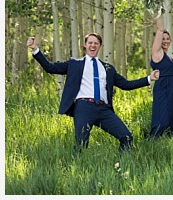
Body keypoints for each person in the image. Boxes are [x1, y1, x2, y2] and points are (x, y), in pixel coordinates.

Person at [27, 32, 159, 153]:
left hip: (103, 109)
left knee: (127, 137)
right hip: (84, 107)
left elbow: (126, 85)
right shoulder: (74, 64)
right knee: (81, 146)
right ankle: (76, 174)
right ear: (85, 45)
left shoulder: (107, 68)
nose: (93, 45)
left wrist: (149, 78)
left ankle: (122, 168)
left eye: (96, 43)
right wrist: (35, 49)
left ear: (100, 46)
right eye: (90, 42)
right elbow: (50, 67)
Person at [149, 16, 173, 137]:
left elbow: (169, 71)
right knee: (161, 120)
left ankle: (168, 145)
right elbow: (160, 29)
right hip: (163, 88)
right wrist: (158, 11)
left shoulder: (167, 56)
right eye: (163, 39)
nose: (166, 41)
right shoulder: (157, 53)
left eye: (168, 39)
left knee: (172, 118)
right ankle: (153, 145)